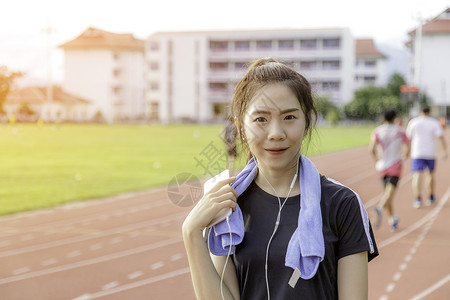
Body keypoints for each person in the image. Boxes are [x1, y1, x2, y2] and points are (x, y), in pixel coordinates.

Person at [182, 58, 378, 299]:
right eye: (260, 119)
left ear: (307, 121)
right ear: (240, 127)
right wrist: (191, 232)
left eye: (289, 117)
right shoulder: (227, 205)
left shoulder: (342, 204)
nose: (276, 133)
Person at [369, 109, 410, 231]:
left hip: (382, 166)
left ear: (383, 118)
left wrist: (376, 161)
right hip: (395, 165)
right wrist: (405, 155)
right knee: (389, 193)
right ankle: (380, 208)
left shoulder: (377, 131)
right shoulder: (400, 131)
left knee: (388, 193)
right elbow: (408, 147)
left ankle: (392, 219)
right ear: (395, 117)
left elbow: (371, 149)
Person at [406, 106, 448, 208]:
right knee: (430, 174)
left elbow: (408, 138)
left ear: (420, 112)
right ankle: (431, 197)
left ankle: (418, 199)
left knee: (417, 175)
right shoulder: (433, 122)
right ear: (429, 112)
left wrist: (407, 151)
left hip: (417, 152)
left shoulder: (413, 122)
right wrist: (444, 150)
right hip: (430, 153)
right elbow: (441, 137)